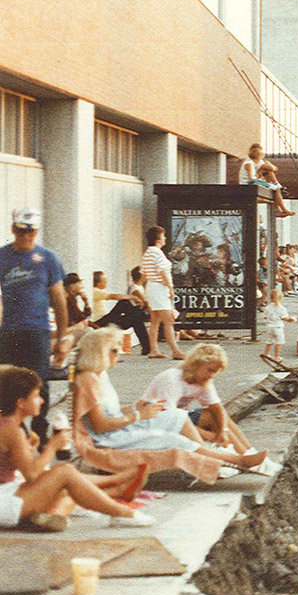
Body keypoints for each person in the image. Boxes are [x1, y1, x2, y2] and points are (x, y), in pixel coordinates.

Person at [73, 329, 266, 468]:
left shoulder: (100, 375)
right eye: (113, 351)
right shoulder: (88, 379)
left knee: (176, 415)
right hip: (109, 439)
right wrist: (138, 416)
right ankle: (231, 460)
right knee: (171, 439)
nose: (119, 355)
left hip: (119, 427)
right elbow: (99, 426)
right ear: (98, 353)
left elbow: (109, 413)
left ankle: (220, 455)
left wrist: (134, 407)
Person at [0, 366, 154, 530]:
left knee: (67, 486)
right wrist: (52, 446)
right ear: (21, 403)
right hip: (5, 502)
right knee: (64, 472)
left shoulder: (9, 424)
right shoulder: (12, 431)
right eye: (36, 396)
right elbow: (31, 474)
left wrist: (29, 448)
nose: (42, 401)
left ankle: (54, 516)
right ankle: (123, 512)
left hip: (8, 494)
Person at [0, 208, 70, 444]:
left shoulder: (47, 258)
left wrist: (62, 337)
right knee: (7, 385)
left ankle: (40, 434)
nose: (26, 236)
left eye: (31, 232)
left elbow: (59, 299)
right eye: (21, 231)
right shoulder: (2, 256)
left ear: (37, 232)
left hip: (37, 331)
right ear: (13, 229)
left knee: (39, 385)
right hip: (9, 331)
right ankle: (12, 437)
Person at [143, 345, 259, 458]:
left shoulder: (203, 379)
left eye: (215, 372)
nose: (211, 375)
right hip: (153, 422)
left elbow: (217, 408)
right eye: (210, 370)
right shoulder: (172, 378)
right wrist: (208, 435)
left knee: (213, 415)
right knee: (209, 423)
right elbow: (169, 418)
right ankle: (237, 457)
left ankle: (247, 452)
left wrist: (223, 430)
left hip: (177, 419)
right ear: (195, 364)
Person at [141, 226, 186, 360]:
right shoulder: (157, 253)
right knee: (168, 320)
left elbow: (144, 273)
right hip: (160, 288)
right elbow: (163, 272)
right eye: (163, 236)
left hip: (151, 286)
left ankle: (154, 350)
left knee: (155, 320)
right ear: (158, 239)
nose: (165, 238)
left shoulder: (147, 253)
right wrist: (170, 288)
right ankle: (175, 350)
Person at [92, 271, 150, 355]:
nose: (106, 282)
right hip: (98, 322)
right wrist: (133, 297)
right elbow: (114, 296)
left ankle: (147, 347)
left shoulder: (97, 291)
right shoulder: (95, 291)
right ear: (99, 283)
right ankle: (147, 347)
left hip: (105, 319)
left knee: (135, 318)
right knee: (124, 303)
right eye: (105, 281)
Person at [238, 143, 294, 217]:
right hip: (249, 184)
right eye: (260, 158)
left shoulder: (249, 162)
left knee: (271, 180)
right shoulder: (249, 164)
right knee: (276, 188)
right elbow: (251, 178)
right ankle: (281, 209)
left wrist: (259, 174)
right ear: (258, 157)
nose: (261, 160)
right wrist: (260, 180)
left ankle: (280, 208)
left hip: (250, 182)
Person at [261, 288, 295, 361]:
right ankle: (277, 357)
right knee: (278, 342)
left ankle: (266, 354)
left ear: (270, 297)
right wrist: (291, 319)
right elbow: (284, 318)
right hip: (278, 327)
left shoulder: (268, 307)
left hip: (269, 327)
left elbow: (264, 316)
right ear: (280, 297)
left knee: (269, 341)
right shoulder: (281, 308)